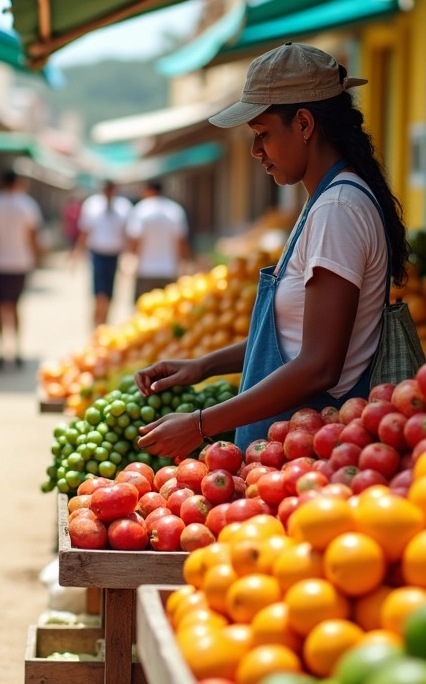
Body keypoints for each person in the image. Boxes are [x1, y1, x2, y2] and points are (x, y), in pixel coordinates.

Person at [135, 43, 409, 457]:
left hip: (308, 452)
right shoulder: (326, 202)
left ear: (303, 123)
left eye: (262, 134)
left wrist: (200, 424)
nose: (255, 151)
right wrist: (203, 367)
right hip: (286, 450)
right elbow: (295, 338)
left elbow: (318, 365)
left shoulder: (337, 209)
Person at [0, 170, 43, 371]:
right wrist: (37, 259)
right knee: (15, 307)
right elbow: (33, 237)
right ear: (18, 182)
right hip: (20, 263)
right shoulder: (27, 204)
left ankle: (0, 352)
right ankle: (17, 350)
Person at [72, 181, 133, 327]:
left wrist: (128, 257)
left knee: (111, 293)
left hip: (114, 255)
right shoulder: (92, 205)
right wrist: (77, 252)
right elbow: (85, 231)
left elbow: (128, 234)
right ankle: (97, 323)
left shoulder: (124, 207)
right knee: (99, 293)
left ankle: (105, 323)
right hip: (97, 254)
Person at [126, 180, 190, 301]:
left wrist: (130, 259)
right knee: (166, 311)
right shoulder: (175, 210)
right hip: (168, 270)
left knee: (144, 311)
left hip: (145, 270)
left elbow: (135, 239)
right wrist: (183, 264)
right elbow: (181, 241)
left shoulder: (141, 209)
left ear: (148, 190)